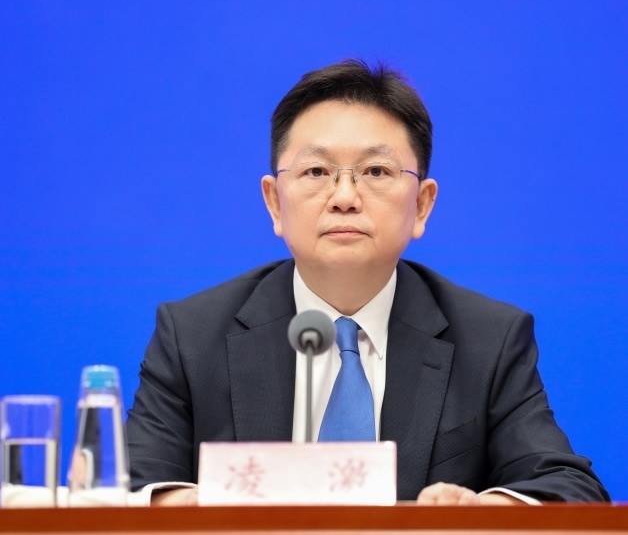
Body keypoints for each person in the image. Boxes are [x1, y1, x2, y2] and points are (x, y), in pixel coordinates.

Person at [126, 59, 609, 505]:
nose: (344, 197)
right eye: (317, 171)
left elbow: (570, 488)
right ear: (274, 203)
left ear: (422, 205)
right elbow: (129, 486)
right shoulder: (193, 335)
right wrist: (187, 508)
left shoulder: (488, 339)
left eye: (376, 170)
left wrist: (483, 512)